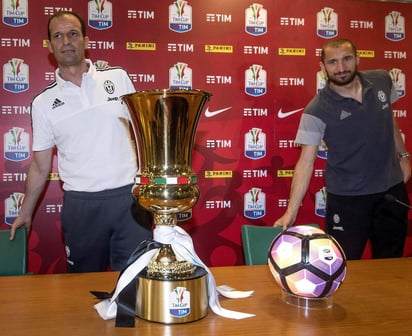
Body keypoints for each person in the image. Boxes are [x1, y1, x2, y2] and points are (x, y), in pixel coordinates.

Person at [10, 11, 153, 272]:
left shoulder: (118, 78)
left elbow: (145, 134)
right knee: (83, 287)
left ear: (85, 41)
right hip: (81, 206)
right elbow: (41, 166)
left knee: (138, 280)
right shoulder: (42, 103)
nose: (66, 41)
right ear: (50, 46)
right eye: (58, 36)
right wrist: (26, 212)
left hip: (130, 200)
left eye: (73, 34)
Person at [274, 38, 411, 260]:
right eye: (333, 62)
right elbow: (306, 162)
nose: (341, 68)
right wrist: (291, 211)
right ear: (322, 68)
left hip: (391, 193)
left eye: (347, 59)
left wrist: (403, 156)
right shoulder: (316, 110)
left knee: (392, 266)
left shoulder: (382, 80)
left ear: (357, 59)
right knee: (343, 267)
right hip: (348, 201)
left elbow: (389, 119)